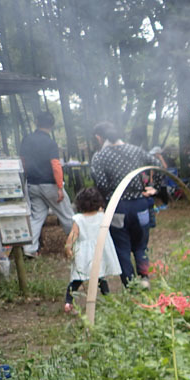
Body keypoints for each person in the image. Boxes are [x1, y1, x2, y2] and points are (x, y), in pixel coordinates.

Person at [89, 121, 158, 287]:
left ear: (99, 137)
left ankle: (130, 284)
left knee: (122, 248)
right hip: (140, 205)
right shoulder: (135, 150)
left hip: (117, 207)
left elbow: (102, 185)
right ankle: (144, 279)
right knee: (141, 245)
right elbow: (158, 164)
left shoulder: (100, 156)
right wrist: (153, 187)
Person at [19, 111, 74, 258]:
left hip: (32, 184)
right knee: (67, 215)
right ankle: (76, 243)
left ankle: (30, 250)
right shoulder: (50, 143)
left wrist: (27, 176)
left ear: (37, 122)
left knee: (36, 217)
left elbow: (22, 161)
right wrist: (60, 187)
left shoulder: (27, 139)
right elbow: (55, 165)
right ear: (52, 125)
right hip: (50, 185)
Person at [63, 187, 120, 314]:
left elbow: (73, 234)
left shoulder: (79, 219)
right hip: (99, 252)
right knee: (100, 277)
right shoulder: (102, 216)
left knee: (77, 279)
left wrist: (68, 247)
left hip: (83, 254)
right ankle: (108, 299)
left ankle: (68, 303)